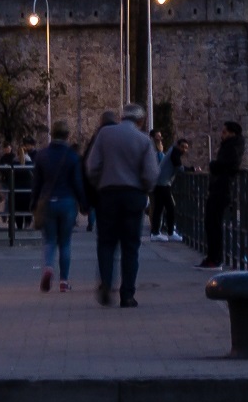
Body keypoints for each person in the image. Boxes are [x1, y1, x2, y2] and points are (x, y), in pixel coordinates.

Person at [84, 103, 159, 307]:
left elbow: (92, 166)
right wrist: (143, 188)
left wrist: (101, 182)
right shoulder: (144, 140)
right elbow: (151, 174)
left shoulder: (105, 135)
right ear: (141, 120)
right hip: (133, 196)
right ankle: (127, 294)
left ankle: (106, 283)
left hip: (108, 194)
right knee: (130, 246)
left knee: (106, 243)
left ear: (121, 117)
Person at [30, 122, 86, 293]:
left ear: (52, 134)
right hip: (67, 202)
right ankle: (64, 281)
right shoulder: (72, 156)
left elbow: (37, 183)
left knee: (49, 240)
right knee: (65, 242)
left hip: (47, 202)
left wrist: (33, 202)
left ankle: (48, 268)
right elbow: (77, 182)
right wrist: (84, 203)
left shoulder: (42, 155)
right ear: (67, 135)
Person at [201, 121, 245, 269]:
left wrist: (214, 165)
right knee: (211, 223)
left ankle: (214, 259)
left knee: (213, 224)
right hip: (220, 188)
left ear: (232, 133)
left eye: (225, 132)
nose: (222, 134)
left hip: (222, 188)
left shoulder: (232, 147)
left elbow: (227, 165)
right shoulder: (232, 146)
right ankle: (213, 257)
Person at [150, 137, 186, 241]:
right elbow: (179, 167)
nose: (184, 150)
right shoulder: (175, 152)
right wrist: (192, 169)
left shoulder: (172, 151)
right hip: (163, 184)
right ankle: (169, 232)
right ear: (178, 146)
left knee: (159, 208)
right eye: (183, 147)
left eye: (186, 148)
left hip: (160, 183)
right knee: (170, 208)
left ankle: (156, 232)